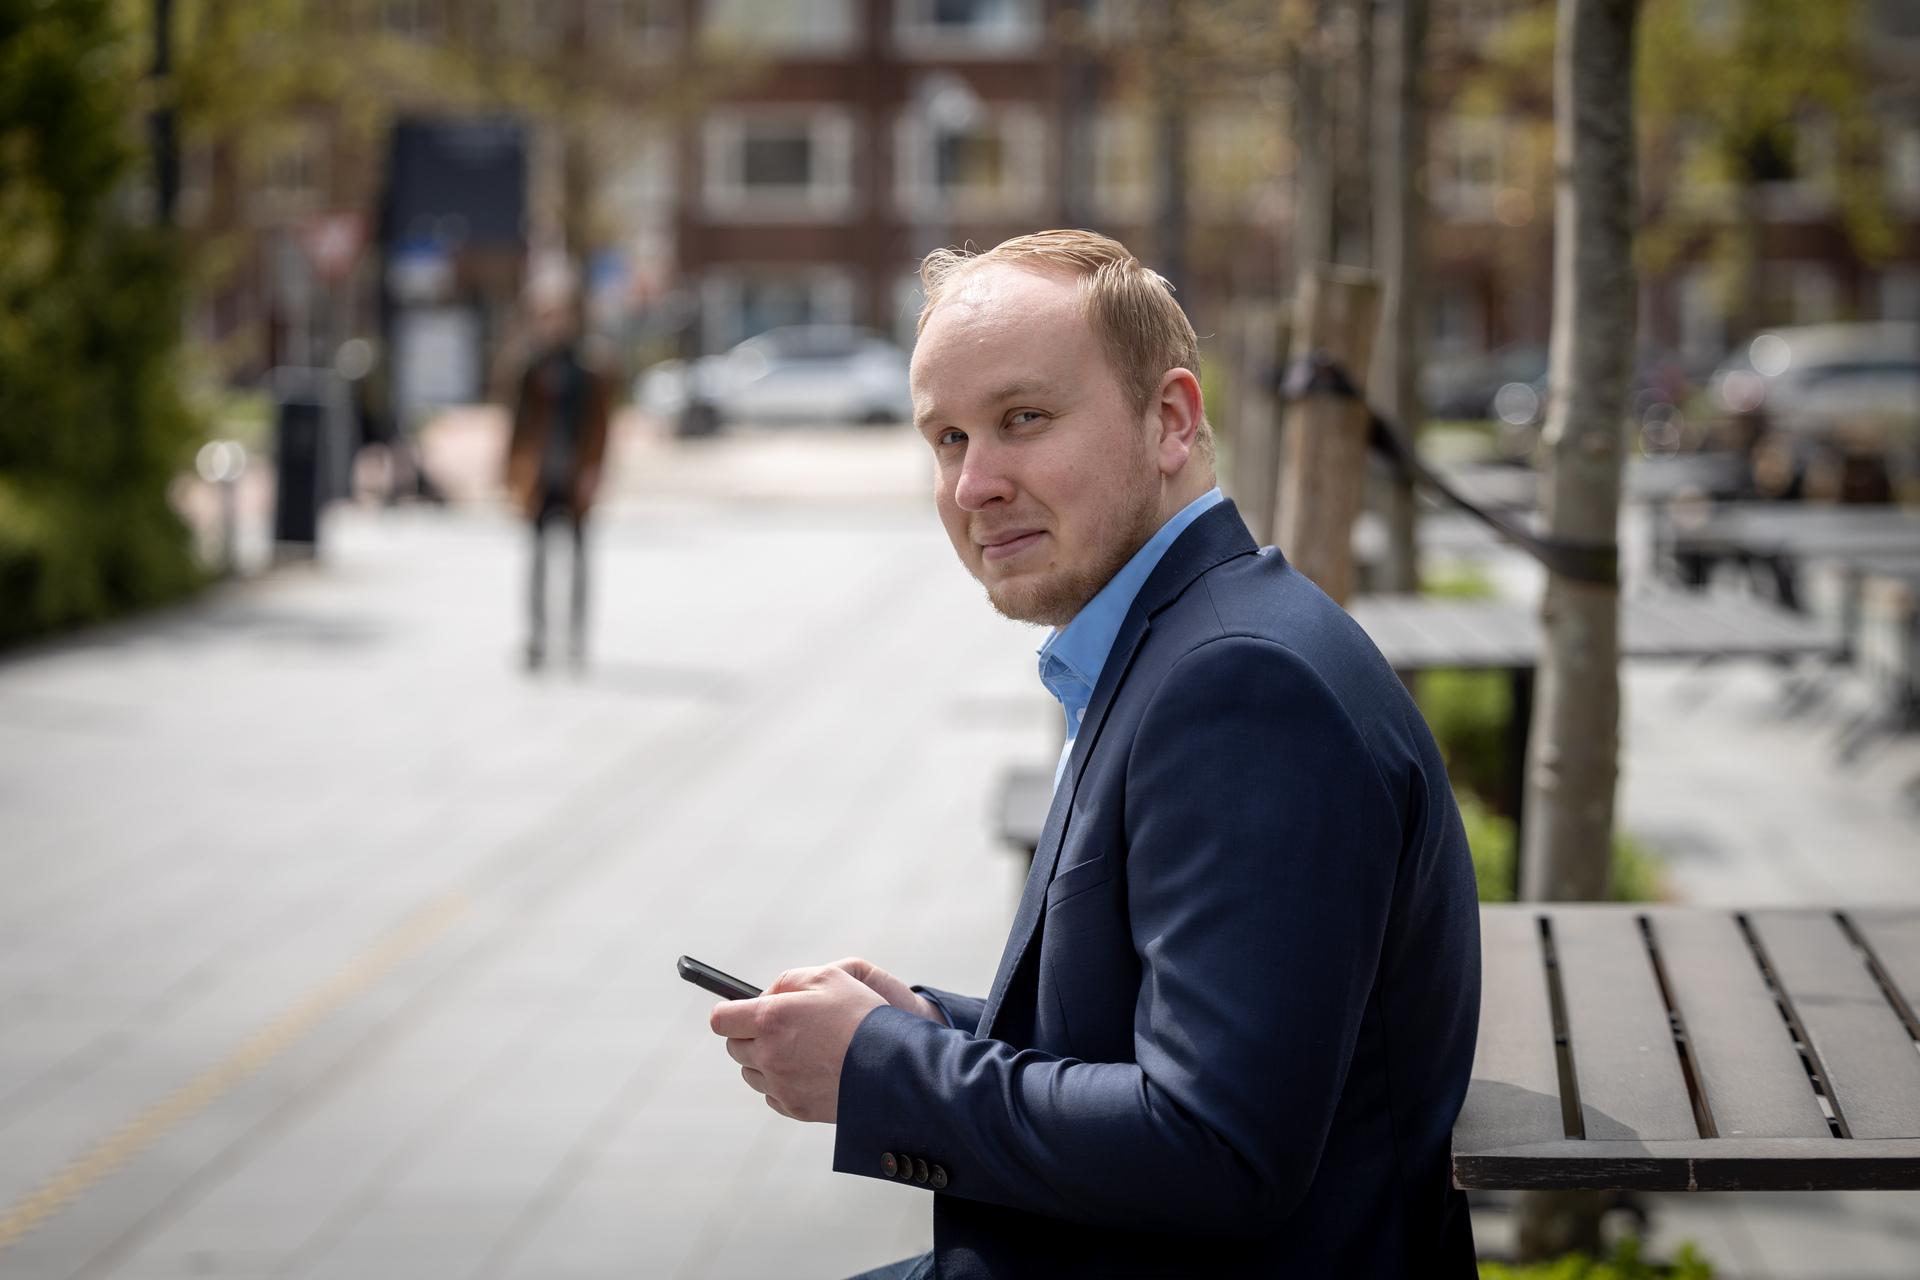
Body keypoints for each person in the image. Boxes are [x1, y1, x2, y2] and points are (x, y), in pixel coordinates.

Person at [707, 231, 1482, 1278]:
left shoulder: (1242, 687)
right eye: (947, 437)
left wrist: (883, 1068)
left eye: (1023, 418)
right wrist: (932, 1026)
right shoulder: (1199, 637)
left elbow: (1219, 1147)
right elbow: (1169, 1031)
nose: (974, 483)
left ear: (1171, 420)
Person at [504, 290, 610, 670]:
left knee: (579, 561)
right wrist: (512, 476)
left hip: (574, 477)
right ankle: (537, 638)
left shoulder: (587, 371)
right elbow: (516, 427)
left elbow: (600, 426)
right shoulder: (529, 370)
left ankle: (576, 639)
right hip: (539, 478)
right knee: (537, 560)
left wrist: (594, 470)